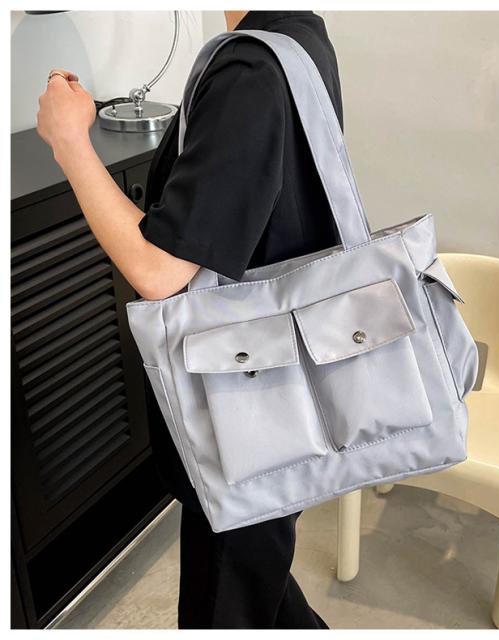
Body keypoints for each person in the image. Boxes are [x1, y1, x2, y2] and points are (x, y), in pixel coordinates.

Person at [36, 10, 344, 630]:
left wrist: (69, 141)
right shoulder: (299, 32)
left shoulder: (249, 68)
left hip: (243, 412)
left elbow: (157, 270)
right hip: (278, 391)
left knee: (228, 599)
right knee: (260, 585)